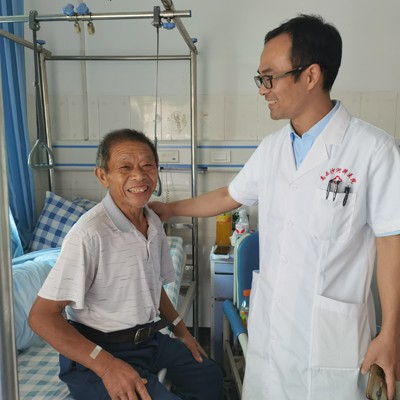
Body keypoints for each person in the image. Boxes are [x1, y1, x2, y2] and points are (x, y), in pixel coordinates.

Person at [149, 14, 400, 400]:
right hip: (271, 334)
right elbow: (229, 195)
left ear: (310, 75)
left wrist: (391, 334)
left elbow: (390, 241)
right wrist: (169, 208)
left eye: (270, 78)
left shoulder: (373, 150)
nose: (263, 90)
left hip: (330, 342)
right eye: (261, 79)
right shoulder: (272, 148)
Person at [29, 129, 223, 400]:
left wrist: (182, 332)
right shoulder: (89, 234)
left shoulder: (152, 222)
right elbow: (40, 317)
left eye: (147, 166)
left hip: (147, 341)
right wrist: (107, 367)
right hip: (97, 351)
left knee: (209, 375)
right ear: (102, 176)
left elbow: (152, 285)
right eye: (125, 167)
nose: (139, 176)